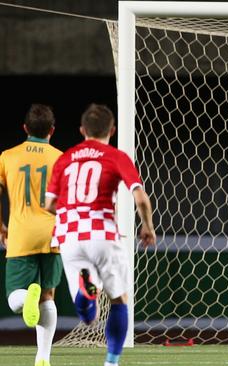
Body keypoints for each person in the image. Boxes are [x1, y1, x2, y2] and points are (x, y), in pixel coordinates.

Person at [44, 104, 156, 366]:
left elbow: (49, 204)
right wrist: (147, 227)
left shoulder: (65, 158)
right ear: (112, 130)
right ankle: (111, 362)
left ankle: (87, 293)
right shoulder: (116, 156)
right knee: (119, 299)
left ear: (82, 130)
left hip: (69, 236)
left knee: (87, 315)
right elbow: (140, 198)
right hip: (103, 233)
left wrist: (72, 212)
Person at [0, 104, 62, 366]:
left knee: (15, 297)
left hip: (21, 234)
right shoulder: (60, 157)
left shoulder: (7, 156)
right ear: (52, 131)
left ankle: (27, 298)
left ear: (25, 128)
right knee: (48, 295)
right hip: (51, 234)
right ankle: (42, 357)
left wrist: (1, 226)